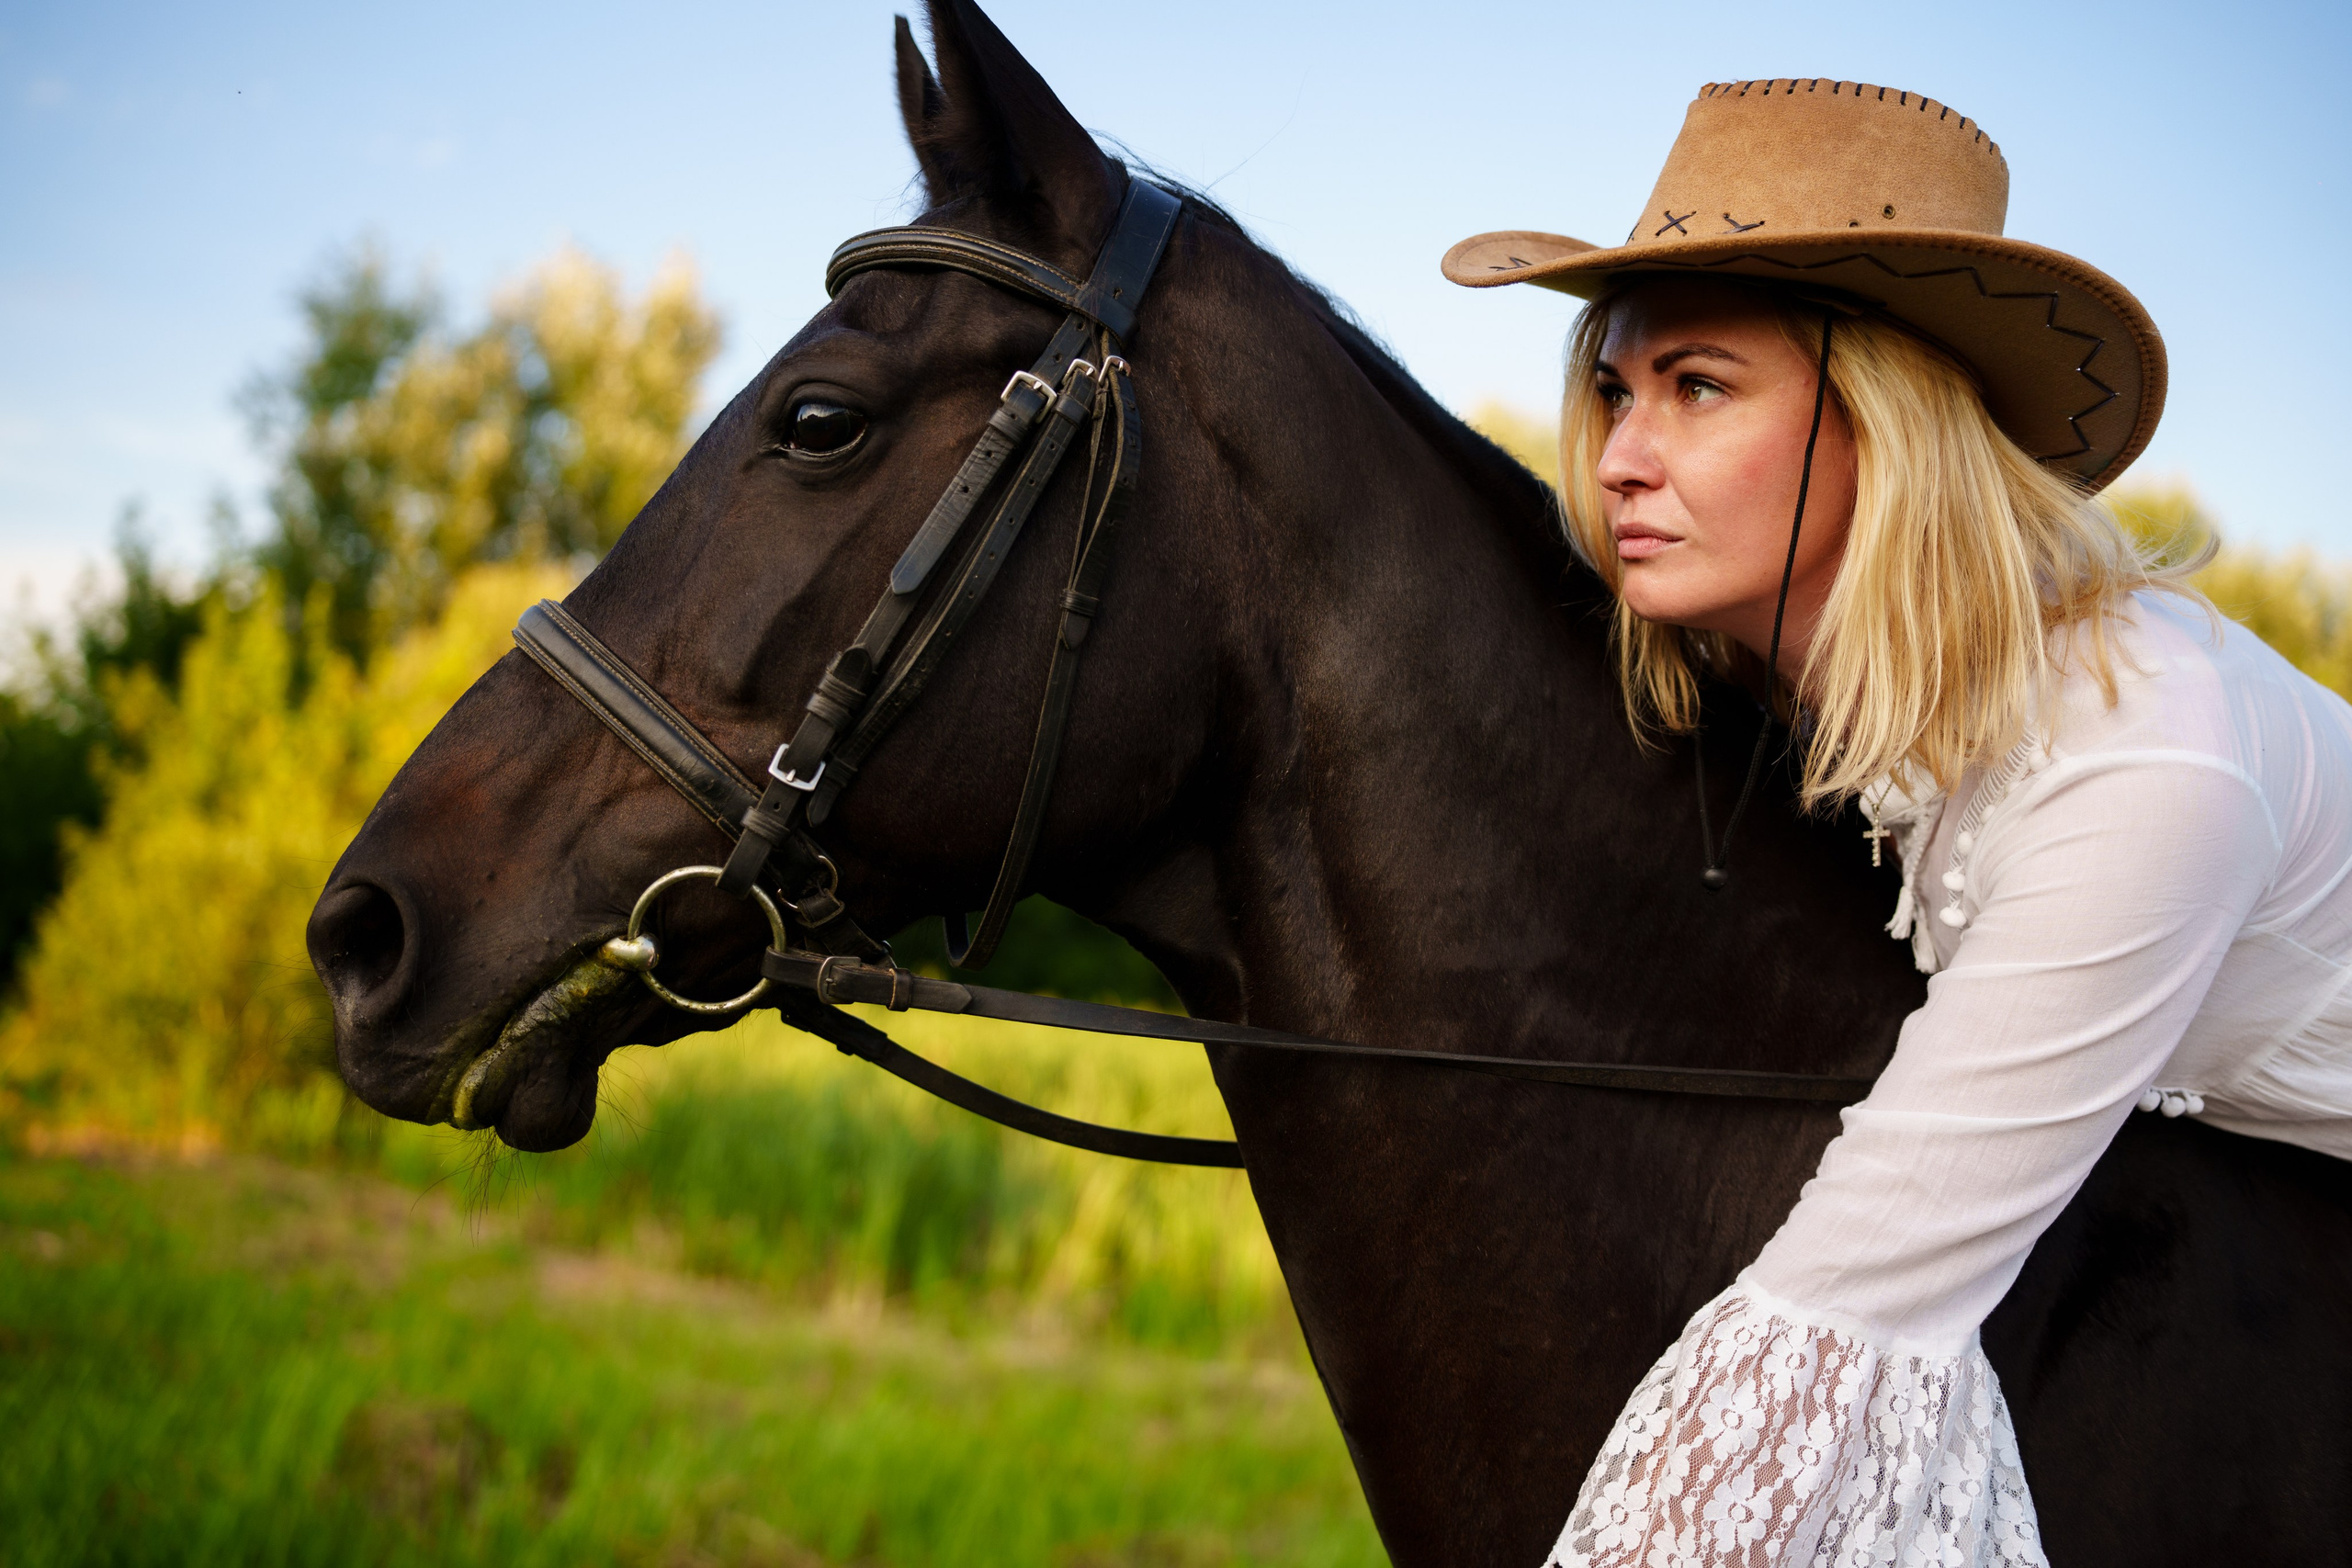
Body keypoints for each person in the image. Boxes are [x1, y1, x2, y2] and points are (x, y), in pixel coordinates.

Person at [1444, 80, 2352, 1567]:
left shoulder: (2141, 764)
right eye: (1615, 390)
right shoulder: (1838, 695)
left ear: (1883, 420)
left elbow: (1849, 1313)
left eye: (1699, 386)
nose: (1616, 458)